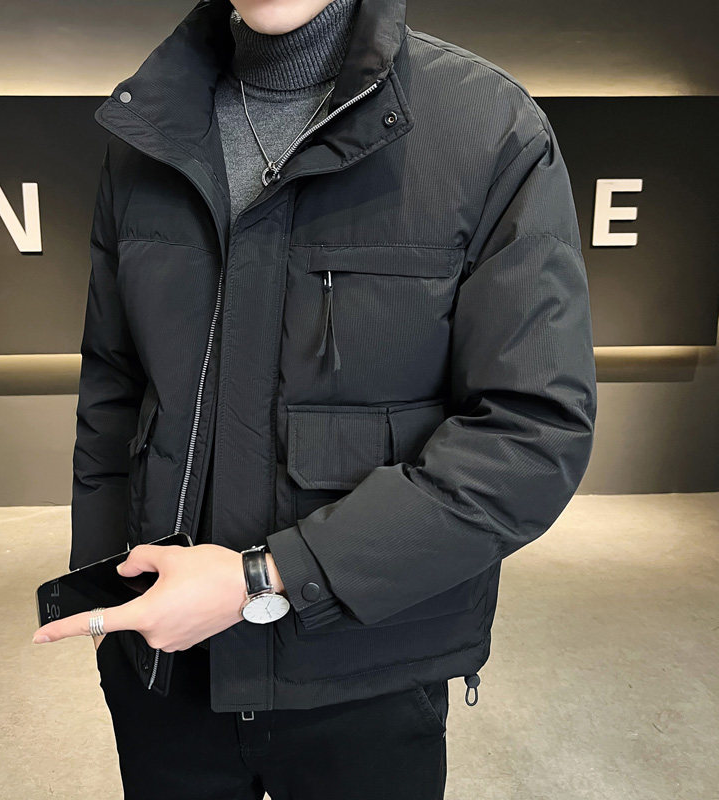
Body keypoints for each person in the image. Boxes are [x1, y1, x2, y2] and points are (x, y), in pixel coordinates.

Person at [32, 0, 597, 797]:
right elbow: (114, 389)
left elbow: (532, 434)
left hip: (364, 678)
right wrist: (108, 598)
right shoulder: (147, 127)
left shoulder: (490, 129)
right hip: (167, 675)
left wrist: (265, 578)